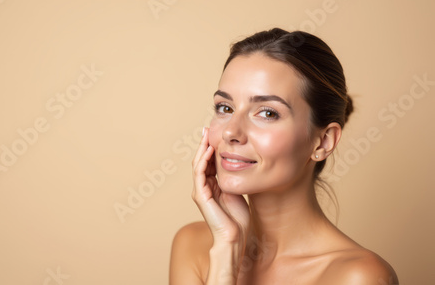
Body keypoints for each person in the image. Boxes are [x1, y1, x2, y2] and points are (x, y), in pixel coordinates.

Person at [169, 28, 398, 284]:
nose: (231, 132)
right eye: (225, 108)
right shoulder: (193, 246)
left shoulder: (358, 276)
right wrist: (226, 252)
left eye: (267, 113)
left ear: (323, 141)